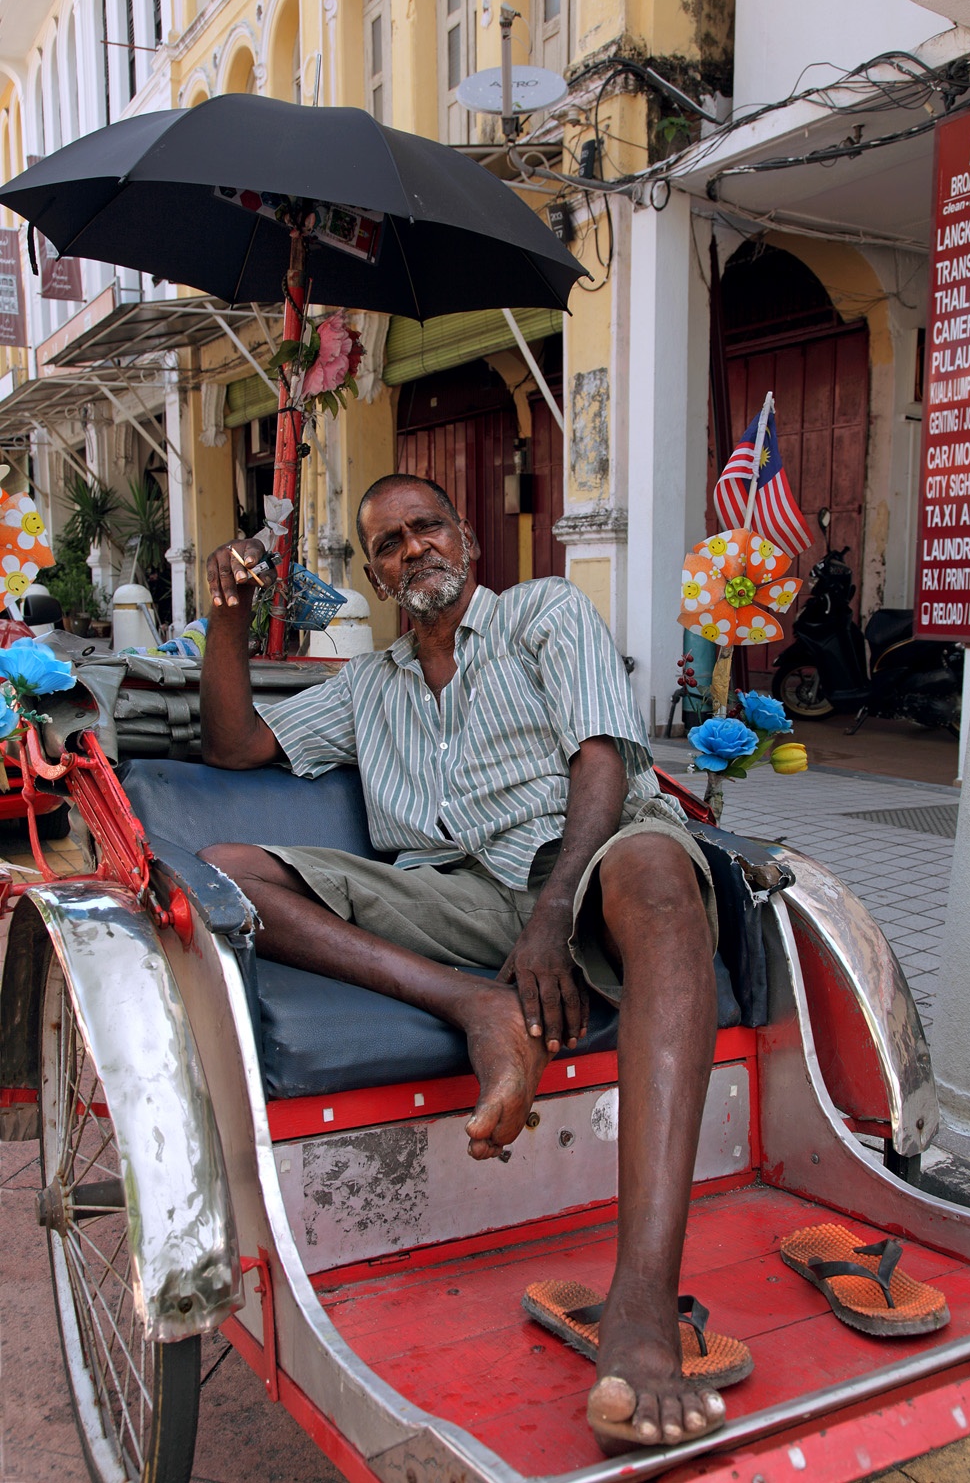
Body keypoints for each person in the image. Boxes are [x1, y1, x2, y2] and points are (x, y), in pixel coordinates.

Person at [200, 474, 723, 1453]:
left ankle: (642, 1307)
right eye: (388, 545)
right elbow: (233, 747)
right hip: (459, 901)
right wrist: (228, 617)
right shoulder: (369, 685)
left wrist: (553, 914)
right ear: (376, 576)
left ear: (467, 539)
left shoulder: (541, 611)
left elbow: (602, 759)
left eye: (426, 527)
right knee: (226, 874)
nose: (412, 551)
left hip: (587, 860)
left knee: (658, 869)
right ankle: (478, 1011)